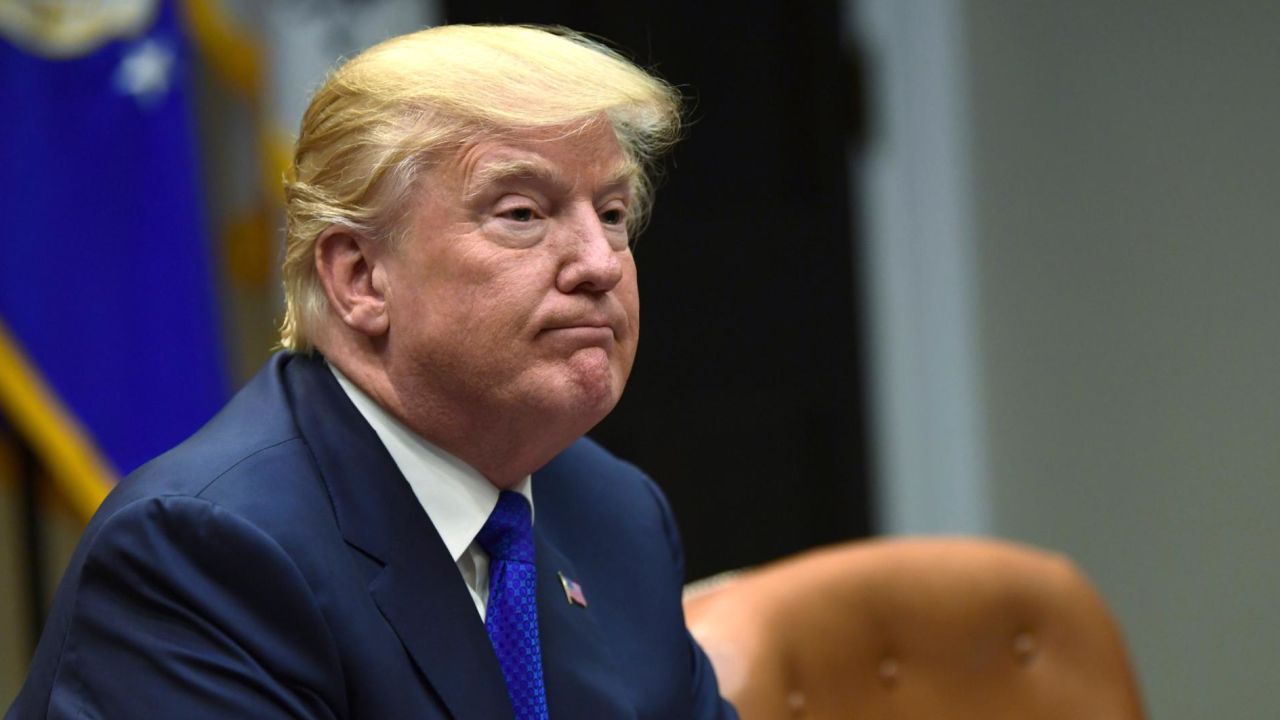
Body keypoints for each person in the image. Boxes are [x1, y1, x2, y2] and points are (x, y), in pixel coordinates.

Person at [8, 24, 736, 720]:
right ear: (360, 277)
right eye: (521, 213)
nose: (601, 263)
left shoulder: (617, 514)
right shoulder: (204, 555)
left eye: (611, 213)